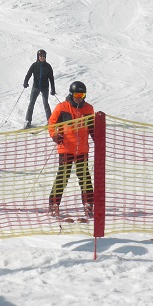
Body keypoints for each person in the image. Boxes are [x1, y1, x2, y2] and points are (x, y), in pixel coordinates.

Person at [47, 81, 96, 219]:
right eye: (77, 95)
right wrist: (55, 135)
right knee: (63, 176)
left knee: (84, 177)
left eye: (82, 95)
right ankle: (54, 204)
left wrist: (98, 140)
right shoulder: (62, 107)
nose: (79, 98)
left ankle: (88, 204)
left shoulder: (88, 109)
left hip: (82, 149)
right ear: (71, 94)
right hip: (66, 148)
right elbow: (51, 123)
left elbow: (92, 127)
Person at [22, 49, 56, 128]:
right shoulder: (34, 65)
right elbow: (29, 74)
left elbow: (51, 78)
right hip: (36, 87)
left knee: (46, 103)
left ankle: (50, 121)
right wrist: (26, 82)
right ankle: (28, 121)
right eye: (41, 56)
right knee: (31, 103)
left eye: (44, 56)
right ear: (38, 56)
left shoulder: (48, 66)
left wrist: (53, 88)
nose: (42, 57)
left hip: (45, 87)